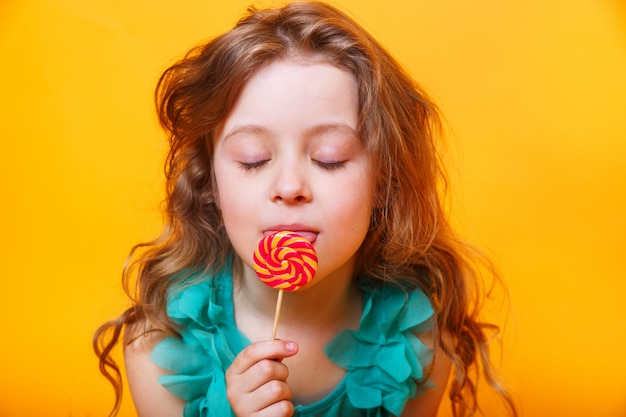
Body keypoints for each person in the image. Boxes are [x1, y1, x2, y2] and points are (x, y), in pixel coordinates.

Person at [94, 2, 518, 416]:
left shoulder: (416, 344)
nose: (289, 187)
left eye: (329, 158)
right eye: (253, 158)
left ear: (385, 181)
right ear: (210, 183)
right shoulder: (159, 344)